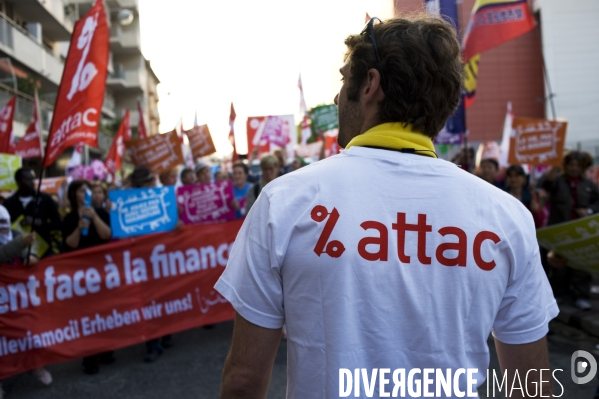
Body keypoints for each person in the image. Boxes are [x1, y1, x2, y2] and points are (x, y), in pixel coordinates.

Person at [215, 15, 557, 398]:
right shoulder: (506, 216)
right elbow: (530, 385)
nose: (336, 97)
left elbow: (244, 379)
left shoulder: (286, 201)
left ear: (370, 85)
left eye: (344, 80)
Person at [62, 180, 113, 374]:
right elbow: (70, 245)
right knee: (87, 317)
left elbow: (106, 234)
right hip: (81, 276)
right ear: (74, 194)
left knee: (104, 313)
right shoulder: (69, 219)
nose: (86, 193)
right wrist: (79, 226)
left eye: (88, 190)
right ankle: (90, 358)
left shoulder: (100, 213)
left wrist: (94, 217)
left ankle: (107, 350)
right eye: (82, 191)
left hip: (101, 272)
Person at [541, 150, 599, 310]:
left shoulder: (589, 185)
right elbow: (545, 184)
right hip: (560, 230)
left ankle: (581, 295)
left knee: (581, 265)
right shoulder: (557, 182)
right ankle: (558, 294)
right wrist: (554, 163)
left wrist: (588, 211)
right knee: (558, 264)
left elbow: (597, 203)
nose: (574, 168)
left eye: (577, 165)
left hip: (581, 231)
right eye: (571, 164)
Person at [128, 165, 173, 361]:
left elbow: (171, 222)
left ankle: (167, 334)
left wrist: (175, 221)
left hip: (161, 257)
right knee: (148, 301)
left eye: (149, 181)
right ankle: (153, 344)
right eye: (145, 182)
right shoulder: (126, 203)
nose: (149, 185)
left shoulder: (161, 198)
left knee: (164, 296)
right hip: (142, 261)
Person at [4, 168, 62, 257]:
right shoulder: (9, 203)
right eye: (28, 179)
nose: (32, 182)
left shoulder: (45, 199)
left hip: (43, 251)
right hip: (18, 252)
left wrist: (37, 222)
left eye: (33, 179)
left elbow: (58, 224)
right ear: (18, 181)